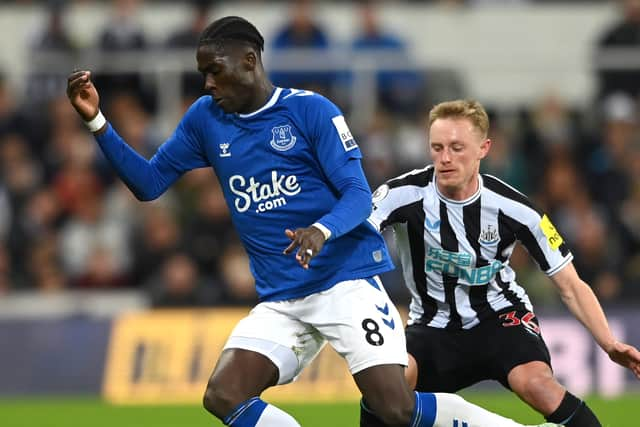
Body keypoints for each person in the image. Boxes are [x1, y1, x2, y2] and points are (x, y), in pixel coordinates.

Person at [67, 16, 560, 427]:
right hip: (282, 297)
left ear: (250, 61)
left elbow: (357, 194)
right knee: (222, 396)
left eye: (214, 71)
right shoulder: (204, 118)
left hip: (346, 281)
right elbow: (150, 183)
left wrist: (320, 230)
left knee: (394, 408)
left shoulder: (311, 112)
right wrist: (97, 123)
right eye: (202, 74)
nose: (208, 84)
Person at [362, 99, 640, 427]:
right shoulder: (401, 194)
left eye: (456, 147)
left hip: (499, 319)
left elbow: (571, 285)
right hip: (432, 327)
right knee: (385, 388)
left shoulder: (516, 209)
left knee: (536, 385)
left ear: (484, 148)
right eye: (436, 148)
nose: (445, 158)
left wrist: (609, 343)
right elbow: (357, 232)